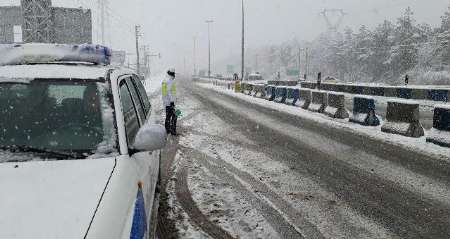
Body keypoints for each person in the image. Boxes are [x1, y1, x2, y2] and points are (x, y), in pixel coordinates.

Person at [162, 68, 177, 135]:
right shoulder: (169, 81)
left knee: (168, 116)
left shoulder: (165, 80)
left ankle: (167, 129)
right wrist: (172, 101)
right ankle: (172, 130)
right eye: (174, 73)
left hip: (166, 101)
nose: (174, 75)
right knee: (175, 115)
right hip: (169, 102)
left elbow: (166, 92)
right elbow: (168, 92)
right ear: (172, 74)